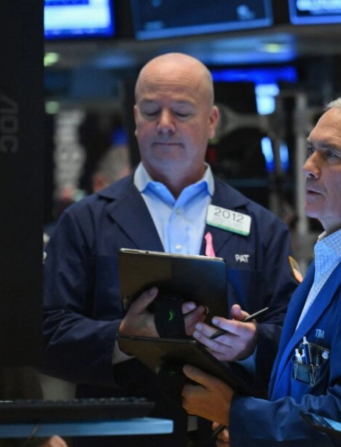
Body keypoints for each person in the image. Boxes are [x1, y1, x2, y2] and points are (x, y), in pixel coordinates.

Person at [42, 53, 299, 447]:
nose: (164, 125)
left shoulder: (262, 228)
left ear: (212, 121)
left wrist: (250, 343)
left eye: (181, 112)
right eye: (150, 112)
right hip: (118, 437)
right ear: (135, 118)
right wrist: (122, 338)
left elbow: (294, 340)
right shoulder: (85, 222)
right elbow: (46, 334)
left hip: (225, 436)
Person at [180, 98, 341, 446]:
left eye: (330, 155)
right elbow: (313, 374)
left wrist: (237, 415)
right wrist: (255, 347)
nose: (308, 167)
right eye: (311, 150)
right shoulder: (338, 256)